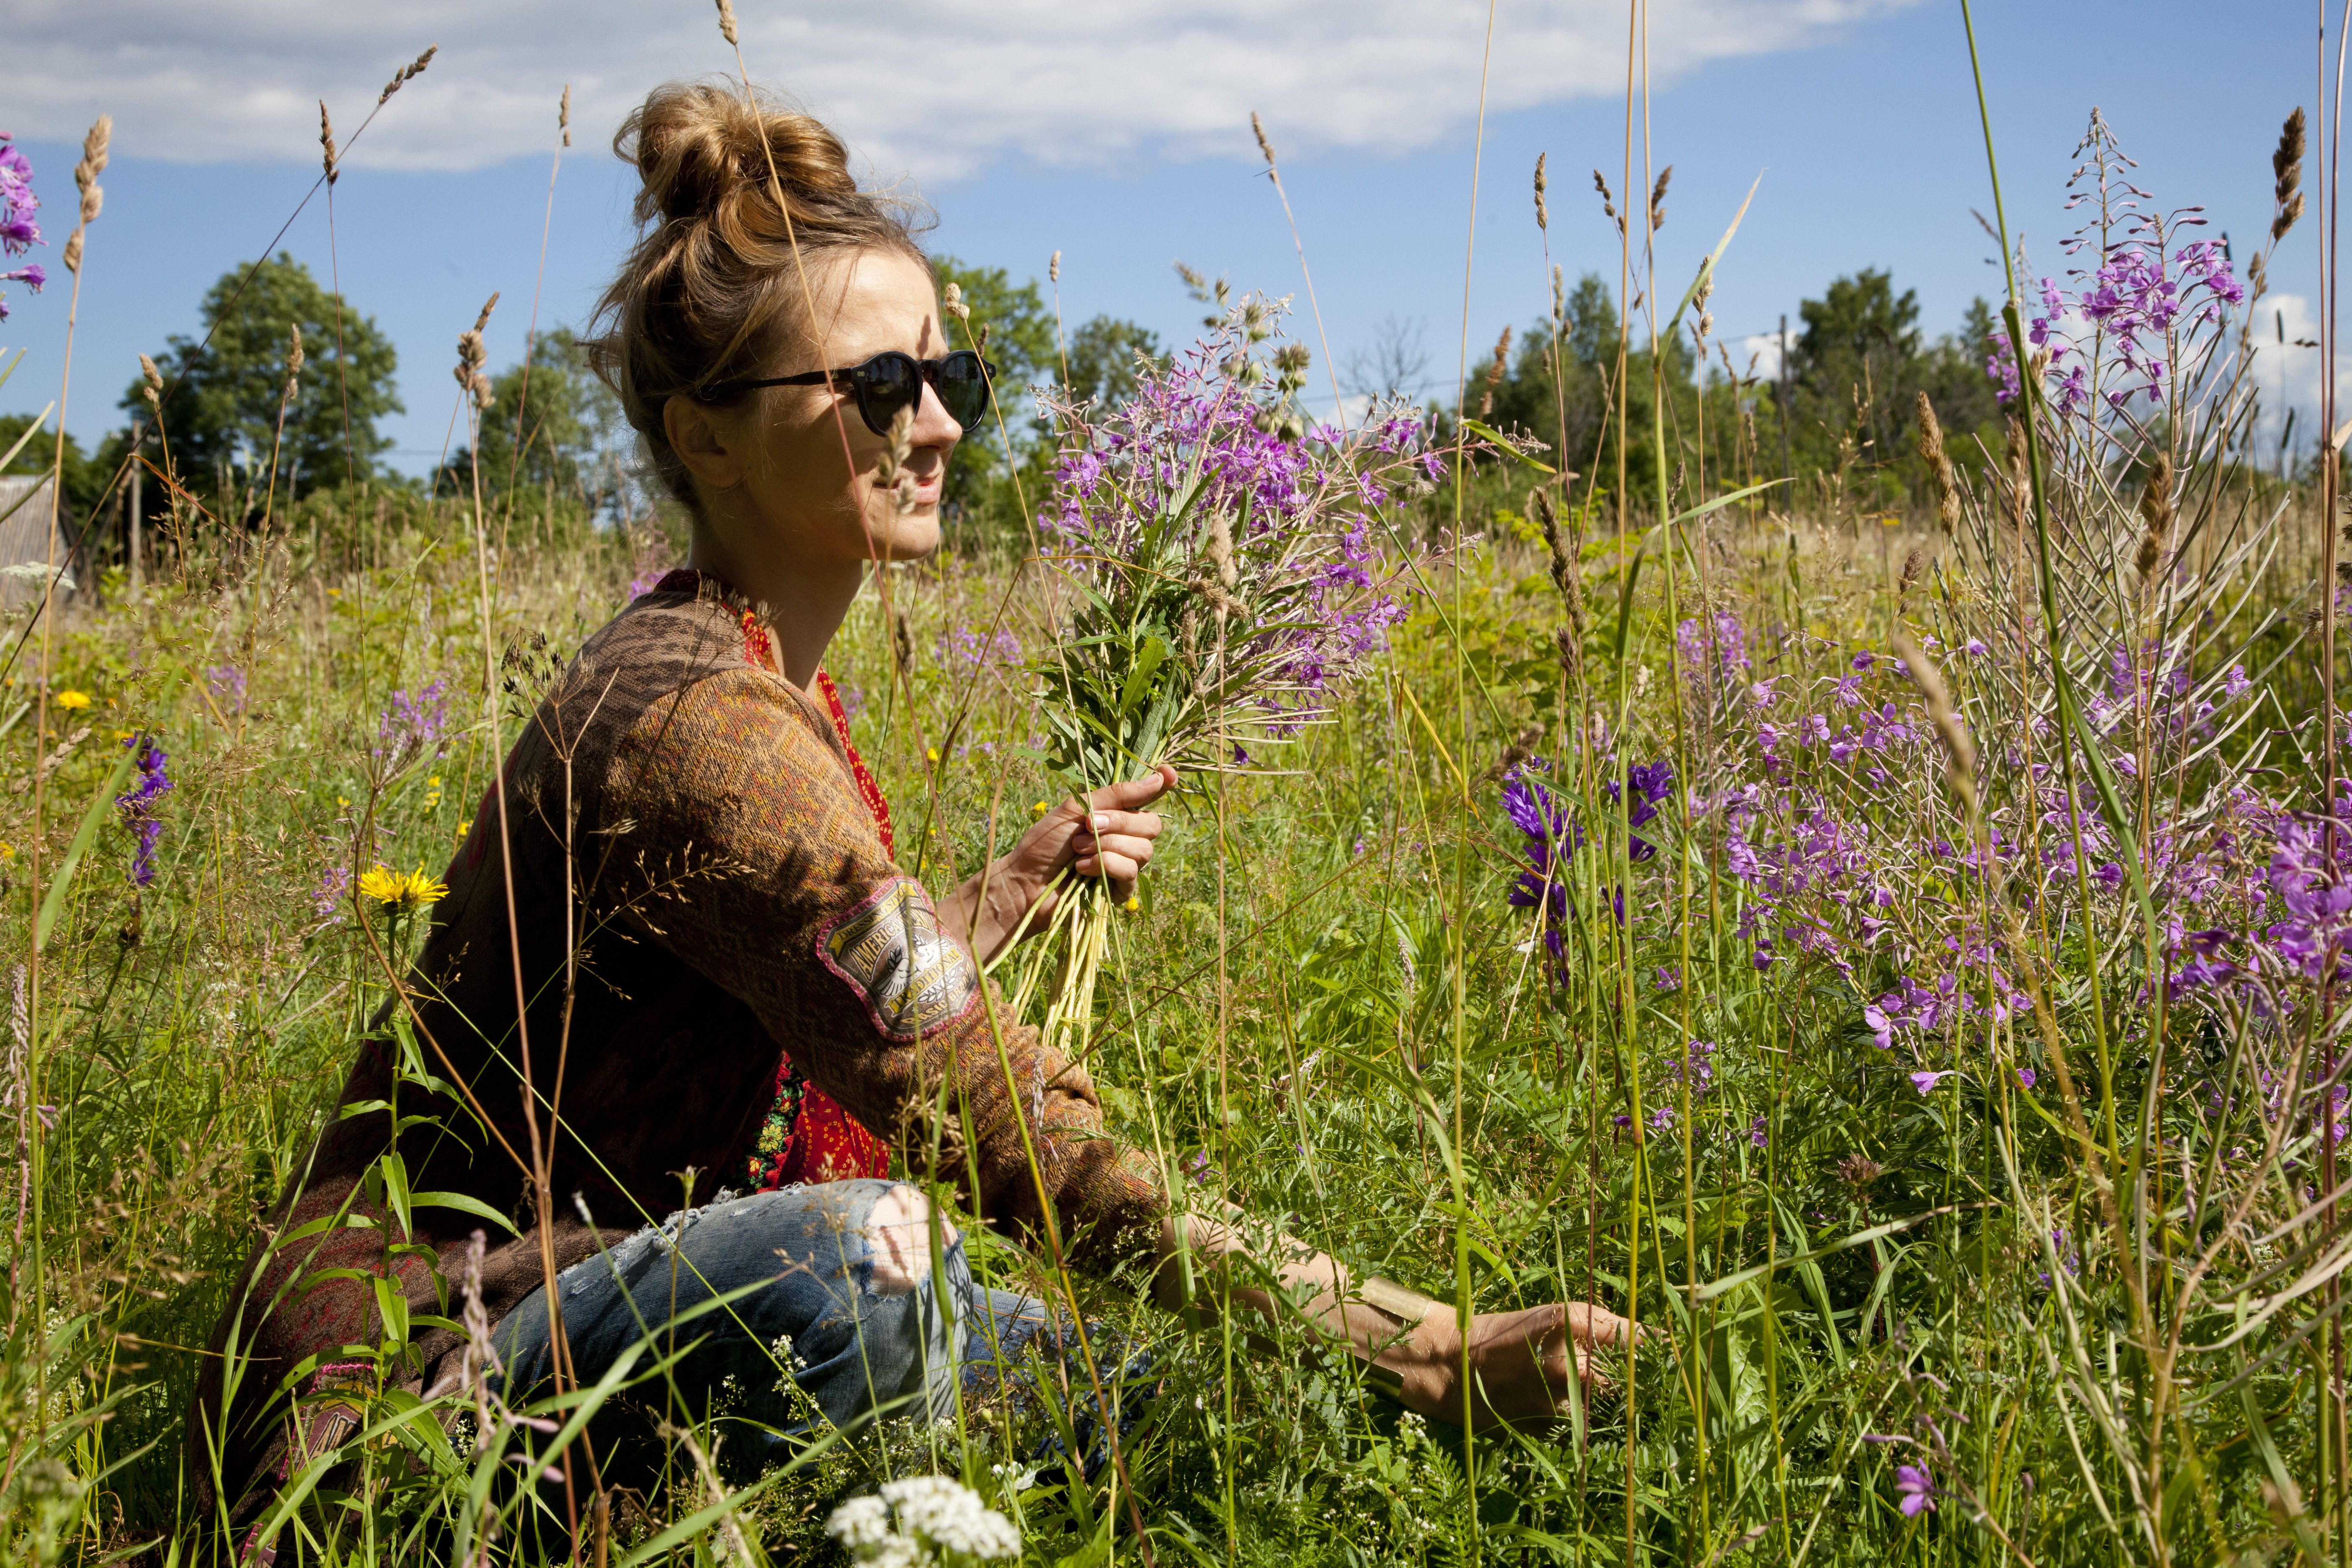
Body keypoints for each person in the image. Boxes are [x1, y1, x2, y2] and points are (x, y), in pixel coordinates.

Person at [191, 79, 1635, 1549]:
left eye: (953, 377)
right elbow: (984, 1111)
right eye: (879, 385)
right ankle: (1418, 1387)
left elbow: (840, 982)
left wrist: (997, 899)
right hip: (414, 1396)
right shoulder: (702, 722)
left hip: (583, 1301)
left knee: (1176, 1401)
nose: (937, 421)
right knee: (873, 1254)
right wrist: (1411, 1336)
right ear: (706, 441)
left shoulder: (728, 671)